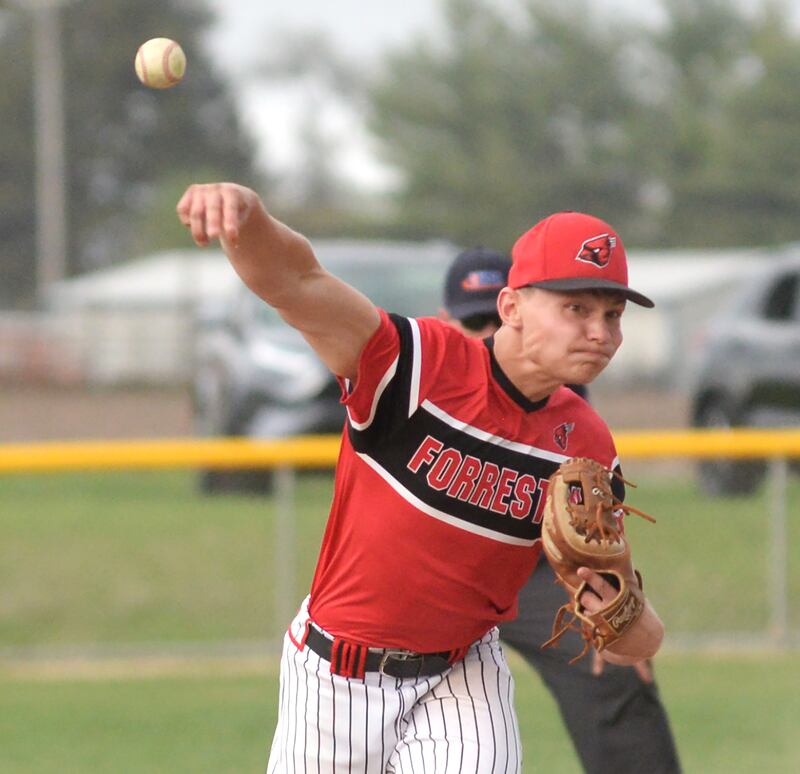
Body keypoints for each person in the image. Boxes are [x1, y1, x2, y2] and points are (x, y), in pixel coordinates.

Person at [177, 183, 665, 773]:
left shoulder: (586, 449)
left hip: (463, 676)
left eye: (612, 315)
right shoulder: (413, 365)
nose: (601, 333)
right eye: (577, 309)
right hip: (337, 676)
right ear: (510, 307)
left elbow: (635, 641)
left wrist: (620, 612)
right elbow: (298, 282)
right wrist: (246, 215)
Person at [439, 246, 682, 774]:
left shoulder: (561, 394)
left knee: (615, 669)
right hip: (436, 576)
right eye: (471, 320)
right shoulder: (426, 384)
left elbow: (592, 521)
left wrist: (611, 602)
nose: (483, 333)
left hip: (534, 574)